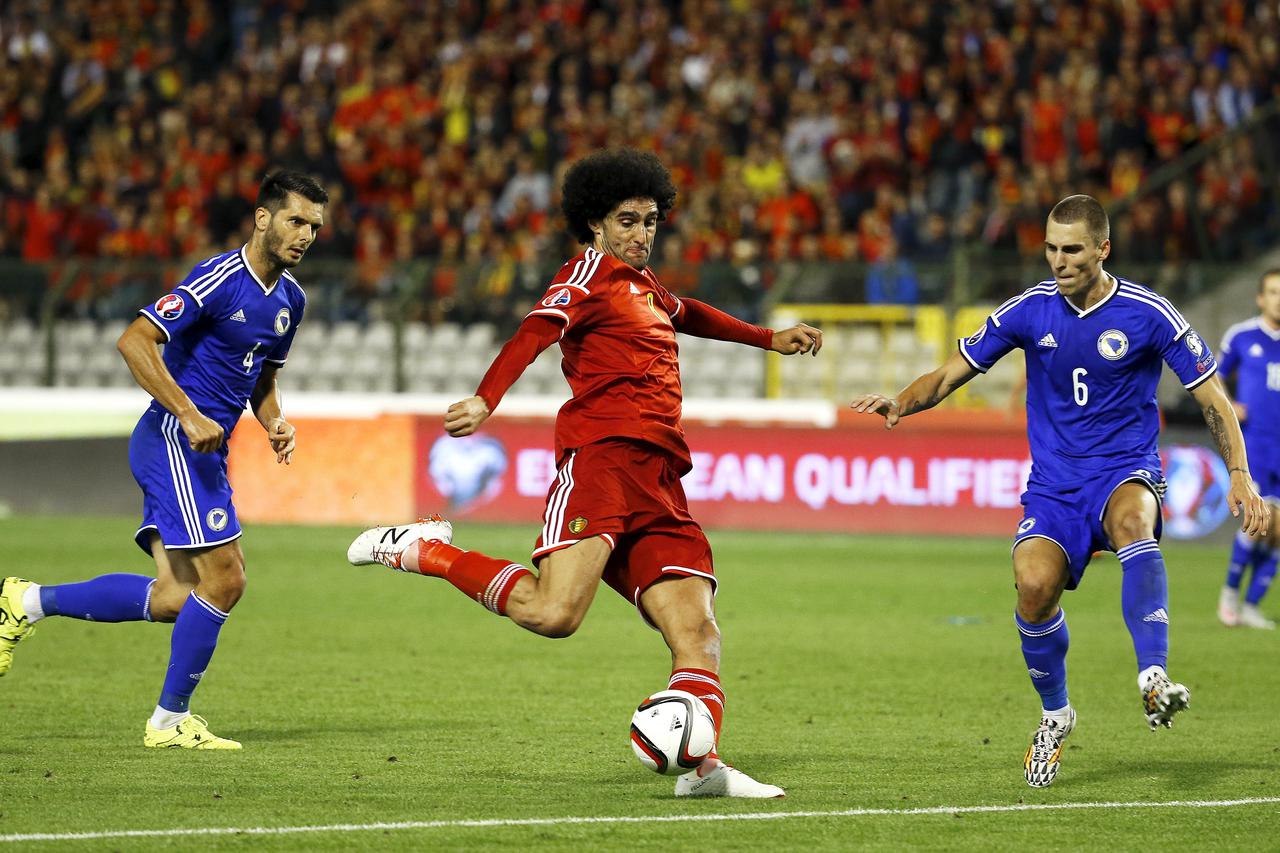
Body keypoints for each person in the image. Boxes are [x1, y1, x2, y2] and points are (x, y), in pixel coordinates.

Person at [346, 149, 821, 798]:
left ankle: (703, 768)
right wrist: (488, 397)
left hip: (659, 478)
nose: (642, 233)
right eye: (627, 220)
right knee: (554, 612)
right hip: (599, 463)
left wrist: (771, 338)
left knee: (699, 631)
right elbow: (536, 330)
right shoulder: (589, 272)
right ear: (595, 224)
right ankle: (425, 549)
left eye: (651, 221)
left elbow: (693, 313)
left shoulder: (647, 287)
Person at [852, 194, 1269, 788]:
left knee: (1133, 523)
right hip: (1054, 488)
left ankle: (1153, 678)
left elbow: (1212, 400)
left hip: (1125, 471)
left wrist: (1238, 474)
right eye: (1050, 248)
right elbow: (951, 372)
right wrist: (902, 401)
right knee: (1033, 587)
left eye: (1072, 249)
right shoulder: (1029, 310)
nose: (1058, 260)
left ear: (1103, 248)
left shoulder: (1150, 314)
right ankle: (1057, 715)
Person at [0, 170, 328, 749]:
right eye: (295, 220)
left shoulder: (292, 302)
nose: (305, 235)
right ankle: (169, 721)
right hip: (174, 440)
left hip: (203, 449)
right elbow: (134, 340)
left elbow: (262, 377)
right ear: (262, 218)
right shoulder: (220, 277)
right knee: (227, 580)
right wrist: (188, 413)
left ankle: (23, 602)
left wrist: (274, 420)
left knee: (178, 597)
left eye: (314, 227)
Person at [1215, 269, 1280, 629]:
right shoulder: (1242, 337)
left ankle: (1251, 604)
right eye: (1273, 291)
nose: (1278, 298)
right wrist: (1229, 404)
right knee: (1257, 524)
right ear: (1260, 298)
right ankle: (1229, 597)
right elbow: (1214, 375)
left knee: (1279, 532)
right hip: (1254, 446)